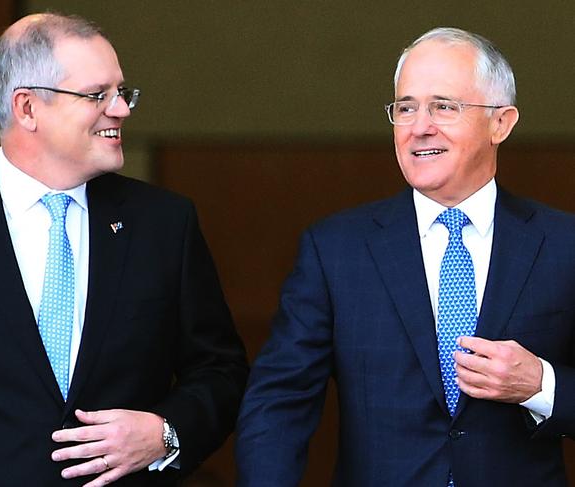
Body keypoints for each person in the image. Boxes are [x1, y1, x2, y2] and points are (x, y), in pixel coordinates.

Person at [235, 27, 575, 486]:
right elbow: (279, 403)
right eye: (406, 107)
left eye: (444, 107)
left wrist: (541, 386)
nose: (419, 127)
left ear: (502, 122)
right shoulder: (336, 249)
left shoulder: (562, 244)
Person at [0, 12, 248, 487]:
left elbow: (221, 370)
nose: (121, 109)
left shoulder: (163, 223)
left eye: (121, 93)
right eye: (98, 95)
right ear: (28, 108)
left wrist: (166, 433)